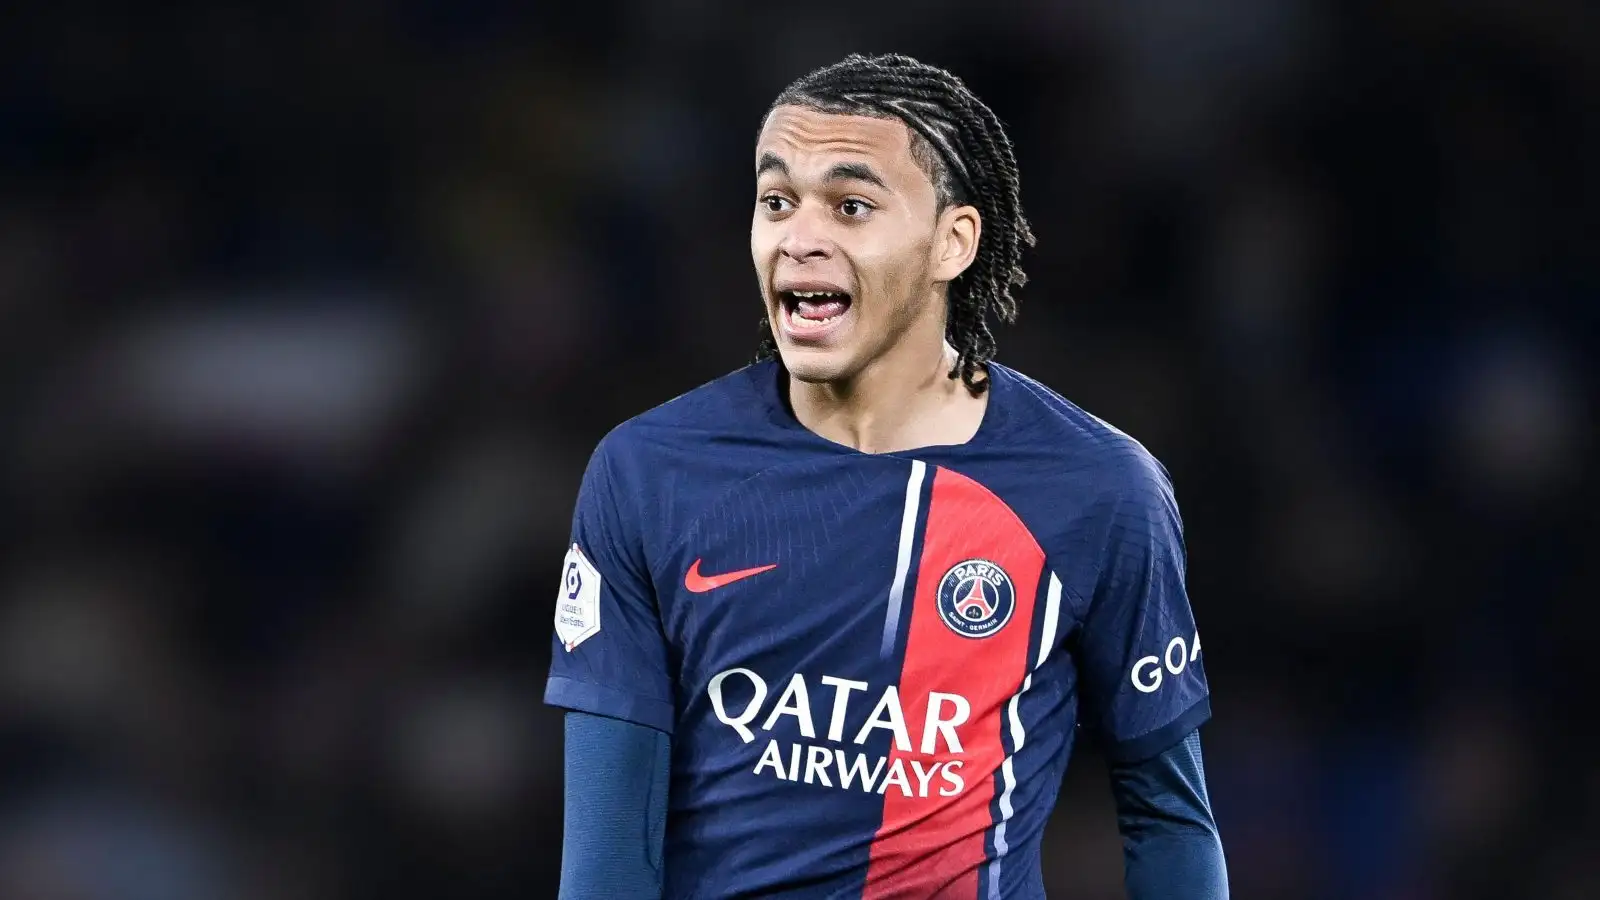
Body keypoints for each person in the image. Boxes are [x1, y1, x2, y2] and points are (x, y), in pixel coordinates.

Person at [546, 53, 1228, 899]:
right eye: (776, 201)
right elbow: (610, 848)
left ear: (954, 241)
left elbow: (1168, 818)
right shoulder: (649, 472)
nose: (800, 238)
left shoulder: (1100, 490)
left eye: (852, 205)